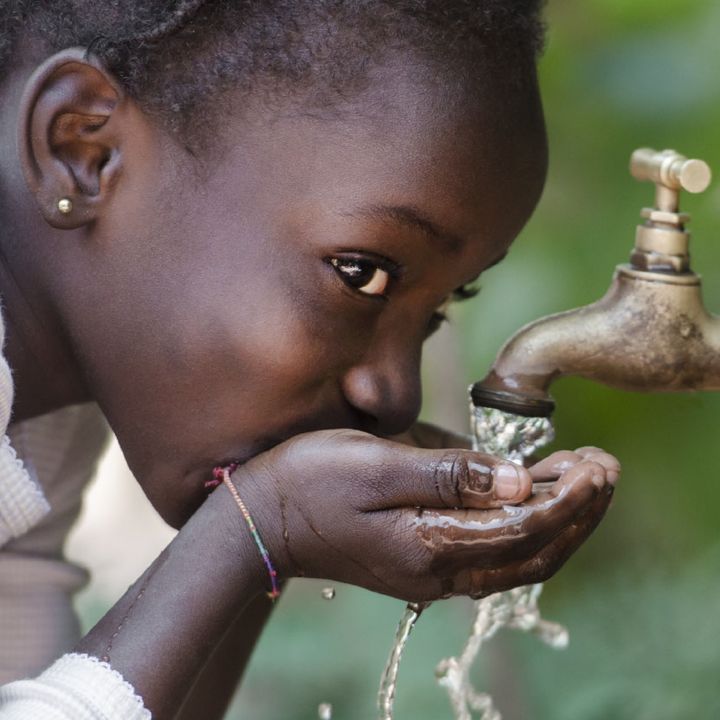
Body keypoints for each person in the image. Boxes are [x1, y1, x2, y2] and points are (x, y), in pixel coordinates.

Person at [0, 1, 620, 718]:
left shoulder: (43, 412)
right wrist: (254, 528)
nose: (393, 395)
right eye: (362, 274)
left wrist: (271, 535)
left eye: (441, 308)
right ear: (84, 150)